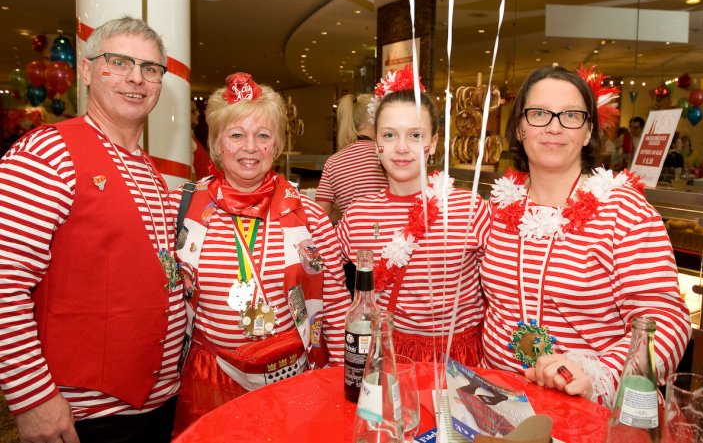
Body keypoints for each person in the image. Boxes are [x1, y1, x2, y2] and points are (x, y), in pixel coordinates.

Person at [0, 17, 185, 442]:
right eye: (118, 62)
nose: (136, 78)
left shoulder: (150, 171)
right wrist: (32, 400)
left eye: (150, 68)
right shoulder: (47, 153)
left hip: (159, 405)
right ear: (86, 70)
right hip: (85, 415)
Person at [480, 65, 691, 408]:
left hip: (588, 409)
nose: (554, 127)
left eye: (571, 115)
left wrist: (599, 375)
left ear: (588, 130)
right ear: (519, 127)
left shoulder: (624, 211)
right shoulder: (498, 205)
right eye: (539, 113)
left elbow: (666, 321)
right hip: (495, 399)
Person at [170, 72, 351, 433]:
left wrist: (342, 382)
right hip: (210, 380)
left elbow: (336, 307)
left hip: (292, 379)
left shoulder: (310, 216)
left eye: (263, 135)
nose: (250, 147)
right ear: (217, 143)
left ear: (277, 144)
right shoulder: (181, 208)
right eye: (236, 135)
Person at [336, 65, 489, 366]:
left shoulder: (469, 208)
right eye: (389, 135)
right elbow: (324, 274)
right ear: (377, 144)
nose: (402, 148)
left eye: (416, 135)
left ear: (433, 142)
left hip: (457, 359)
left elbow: (501, 292)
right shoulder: (358, 215)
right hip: (386, 357)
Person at [315, 93, 388, 224]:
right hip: (391, 232)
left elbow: (322, 213)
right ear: (378, 120)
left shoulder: (333, 162)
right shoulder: (388, 155)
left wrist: (347, 214)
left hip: (352, 234)